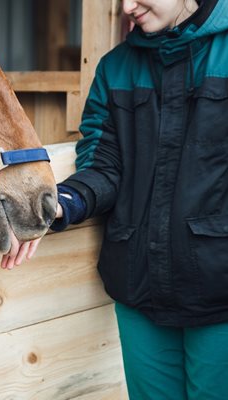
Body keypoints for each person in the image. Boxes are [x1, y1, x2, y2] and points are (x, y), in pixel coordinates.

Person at [51, 0, 228, 398]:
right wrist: (64, 201)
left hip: (220, 297)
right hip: (139, 288)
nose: (128, 6)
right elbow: (103, 163)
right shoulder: (116, 68)